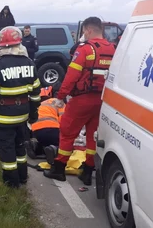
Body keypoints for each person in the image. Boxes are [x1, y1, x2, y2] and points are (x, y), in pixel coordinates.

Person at [43, 17, 116, 186]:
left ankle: (59, 168)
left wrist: (60, 96)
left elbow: (71, 76)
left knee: (68, 132)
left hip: (82, 99)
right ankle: (88, 170)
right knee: (92, 135)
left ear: (88, 30)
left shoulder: (85, 50)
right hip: (103, 100)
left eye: (84, 31)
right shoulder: (113, 49)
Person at [0, 26, 42, 188]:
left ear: (2, 45)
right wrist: (34, 111)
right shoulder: (29, 62)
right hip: (23, 115)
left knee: (7, 150)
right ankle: (23, 177)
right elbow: (36, 92)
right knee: (20, 147)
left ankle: (11, 183)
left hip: (4, 117)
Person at [28, 83, 65, 161]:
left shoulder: (43, 103)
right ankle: (54, 149)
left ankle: (36, 147)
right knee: (66, 146)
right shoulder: (60, 103)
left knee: (45, 143)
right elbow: (64, 123)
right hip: (52, 129)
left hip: (36, 131)